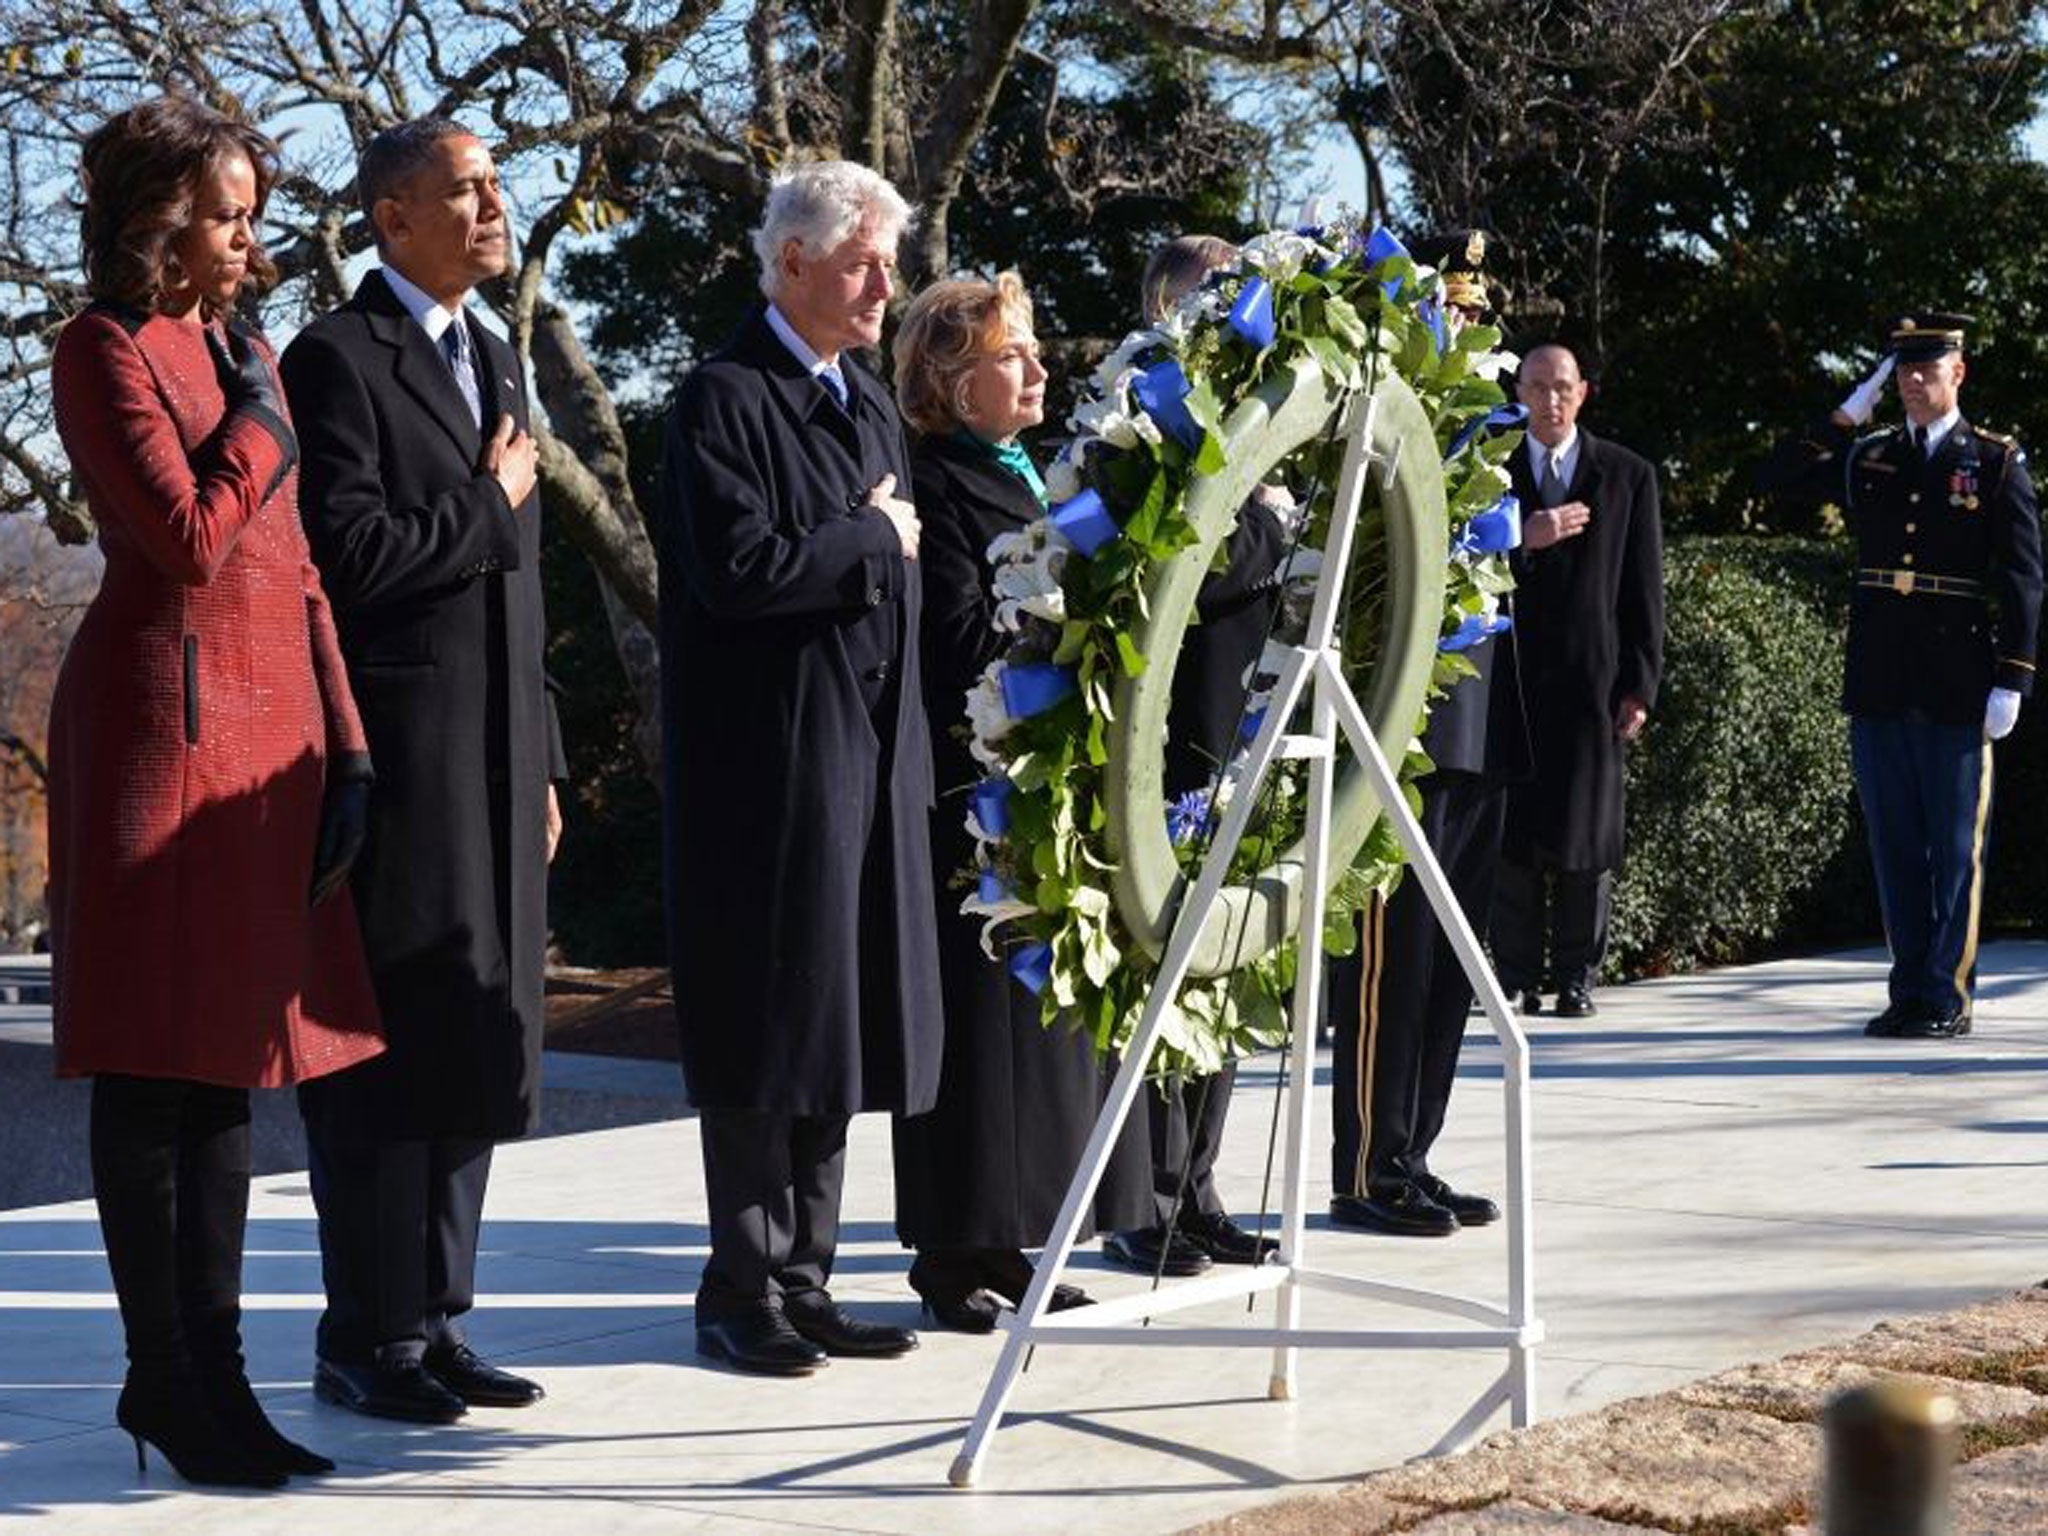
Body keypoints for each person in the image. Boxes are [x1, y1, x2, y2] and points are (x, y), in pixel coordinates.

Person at [48, 95, 384, 1487]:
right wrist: (255, 430)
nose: (251, 240)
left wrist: (350, 743)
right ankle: (161, 1380)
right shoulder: (101, 348)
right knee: (151, 1067)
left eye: (252, 213)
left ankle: (224, 1380)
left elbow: (295, 567)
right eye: (229, 215)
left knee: (236, 1070)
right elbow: (185, 540)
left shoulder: (243, 347)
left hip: (272, 733)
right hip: (152, 735)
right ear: (158, 222)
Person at [281, 118, 565, 1424]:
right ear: (394, 218)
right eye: (468, 188)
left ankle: (441, 1321)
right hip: (398, 764)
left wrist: (549, 756)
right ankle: (368, 1337)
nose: (495, 206)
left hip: (501, 762)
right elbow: (342, 556)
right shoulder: (334, 358)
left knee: (473, 1034)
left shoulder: (496, 353)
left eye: (498, 184)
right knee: (387, 1054)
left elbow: (527, 594)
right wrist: (486, 503)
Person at [659, 161, 941, 1375]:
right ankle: (742, 1286)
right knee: (767, 1025)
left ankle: (809, 1274)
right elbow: (741, 571)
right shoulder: (720, 400)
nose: (885, 285)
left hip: (870, 754)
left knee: (838, 1023)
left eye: (889, 261)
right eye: (862, 262)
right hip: (768, 764)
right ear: (791, 266)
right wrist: (866, 532)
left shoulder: (867, 399)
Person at [886, 273, 1154, 1330]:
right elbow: (952, 635)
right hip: (974, 794)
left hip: (1046, 782)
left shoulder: (1030, 473)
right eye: (1011, 355)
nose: (1038, 370)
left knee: (1033, 1034)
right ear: (952, 383)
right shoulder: (936, 481)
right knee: (975, 1041)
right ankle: (952, 1255)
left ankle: (1010, 1237)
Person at [1327, 230, 1535, 1238]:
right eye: (1441, 311)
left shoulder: (1479, 421)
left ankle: (1413, 1153)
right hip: (1399, 731)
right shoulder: (1371, 411)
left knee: (1448, 964)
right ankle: (1366, 1163)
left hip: (1478, 721)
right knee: (1387, 959)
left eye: (1467, 312)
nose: (1461, 325)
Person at [1758, 313, 2040, 1038]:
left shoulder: (1995, 460)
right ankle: (1908, 987)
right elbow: (1780, 476)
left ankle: (1947, 994)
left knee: (1952, 849)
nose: (1915, 382)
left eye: (1928, 369)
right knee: (1893, 845)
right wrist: (1847, 415)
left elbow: (2021, 579)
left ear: (1958, 374)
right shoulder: (1873, 455)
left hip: (1956, 681)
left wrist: (2013, 675)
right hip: (1881, 677)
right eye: (1903, 372)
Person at [1101, 234, 1289, 1279]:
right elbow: (1179, 549)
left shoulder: (1248, 395)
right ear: (1165, 302)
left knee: (1221, 961)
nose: (1234, 311)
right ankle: (1146, 1199)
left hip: (1240, 718)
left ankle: (1199, 1187)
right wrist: (1267, 524)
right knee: (1158, 963)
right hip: (1167, 723)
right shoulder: (1140, 391)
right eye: (1215, 296)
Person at [1490, 340, 1663, 1019]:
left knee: (1587, 835)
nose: (1551, 399)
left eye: (1562, 387)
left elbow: (1644, 591)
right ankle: (1513, 974)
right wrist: (1522, 538)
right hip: (1513, 674)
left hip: (1594, 679)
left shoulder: (1626, 474)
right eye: (1537, 386)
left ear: (1583, 393)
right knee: (1514, 833)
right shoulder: (1492, 470)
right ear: (1521, 393)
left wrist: (1639, 686)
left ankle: (1576, 976)